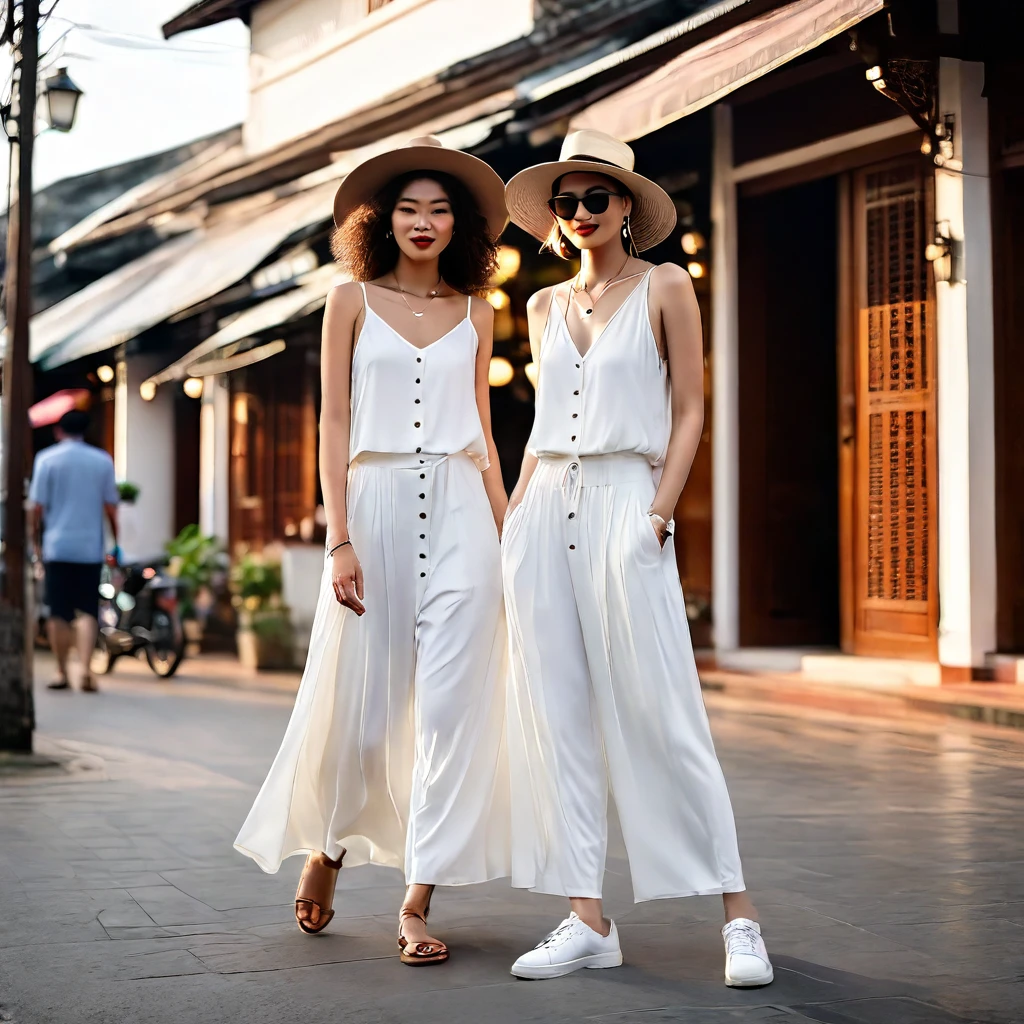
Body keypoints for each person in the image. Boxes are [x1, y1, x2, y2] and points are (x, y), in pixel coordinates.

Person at [500, 130, 774, 987]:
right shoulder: (542, 307)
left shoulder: (666, 285)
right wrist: (512, 524)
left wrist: (659, 519)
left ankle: (739, 915)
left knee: (664, 711)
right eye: (566, 202)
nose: (580, 213)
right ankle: (587, 917)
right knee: (559, 716)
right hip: (544, 510)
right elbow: (538, 437)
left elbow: (691, 410)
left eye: (596, 198)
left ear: (627, 206)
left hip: (629, 500)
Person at [234, 137, 511, 967]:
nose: (424, 222)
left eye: (439, 210)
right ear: (381, 220)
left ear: (457, 225)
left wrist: (513, 536)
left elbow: (486, 437)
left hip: (464, 510)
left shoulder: (477, 310)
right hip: (377, 507)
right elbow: (334, 424)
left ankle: (417, 900)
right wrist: (339, 536)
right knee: (367, 711)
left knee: (452, 713)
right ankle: (329, 845)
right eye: (408, 208)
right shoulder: (348, 299)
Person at [28, 409, 118, 693]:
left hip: (57, 546)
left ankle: (61, 670)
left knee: (59, 612)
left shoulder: (47, 459)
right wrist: (116, 542)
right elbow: (111, 506)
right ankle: (88, 670)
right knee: (88, 611)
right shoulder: (102, 460)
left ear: (58, 431)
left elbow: (37, 508)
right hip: (90, 547)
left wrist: (35, 542)